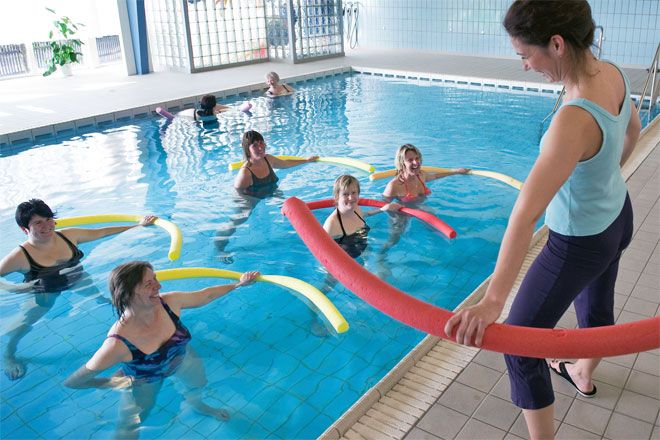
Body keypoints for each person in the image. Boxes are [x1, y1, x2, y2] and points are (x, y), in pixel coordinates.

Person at [444, 1, 641, 439]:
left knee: (519, 346)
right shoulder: (614, 73)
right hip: (617, 218)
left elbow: (526, 211)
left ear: (556, 44)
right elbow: (632, 130)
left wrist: (494, 300)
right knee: (596, 304)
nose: (525, 65)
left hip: (577, 243)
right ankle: (583, 373)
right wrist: (606, 177)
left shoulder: (572, 121)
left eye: (524, 54)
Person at [64, 261, 259, 438]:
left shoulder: (169, 303)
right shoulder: (117, 344)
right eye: (148, 284)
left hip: (182, 359)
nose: (158, 286)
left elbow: (205, 295)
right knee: (130, 425)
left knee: (198, 385)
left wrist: (239, 284)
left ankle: (197, 405)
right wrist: (112, 383)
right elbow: (74, 382)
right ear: (128, 292)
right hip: (145, 380)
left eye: (155, 279)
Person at [0, 199, 157, 380]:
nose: (47, 226)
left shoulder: (68, 236)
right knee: (26, 323)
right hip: (46, 290)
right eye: (38, 223)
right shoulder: (20, 256)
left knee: (106, 301)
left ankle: (140, 327)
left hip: (78, 279)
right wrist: (20, 289)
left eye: (48, 219)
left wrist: (137, 225)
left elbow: (103, 232)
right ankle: (8, 355)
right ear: (24, 229)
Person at [323, 174, 400, 259]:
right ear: (337, 197)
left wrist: (383, 209)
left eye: (353, 192)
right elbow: (323, 251)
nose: (351, 197)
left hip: (364, 250)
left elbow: (365, 214)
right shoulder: (332, 224)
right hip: (347, 261)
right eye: (345, 194)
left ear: (358, 193)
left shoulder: (355, 208)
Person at [233, 130, 318, 197]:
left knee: (288, 208)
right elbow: (239, 194)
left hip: (273, 192)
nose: (260, 147)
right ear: (248, 150)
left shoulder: (268, 159)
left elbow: (286, 164)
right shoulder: (245, 173)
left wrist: (307, 160)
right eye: (254, 145)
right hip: (253, 198)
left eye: (261, 142)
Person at [383, 143, 469, 203]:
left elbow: (435, 176)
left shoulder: (421, 175)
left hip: (421, 208)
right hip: (402, 214)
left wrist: (456, 171)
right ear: (402, 163)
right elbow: (381, 205)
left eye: (417, 158)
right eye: (410, 160)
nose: (416, 163)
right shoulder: (394, 185)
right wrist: (391, 207)